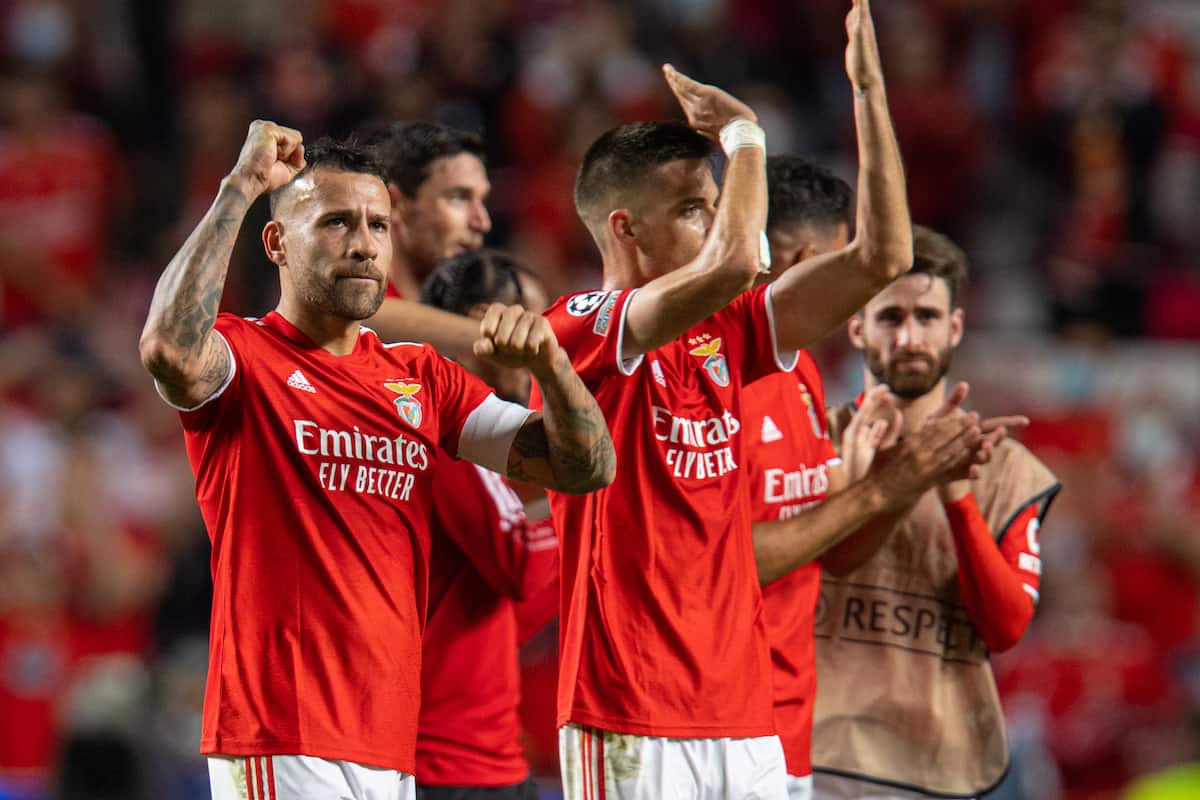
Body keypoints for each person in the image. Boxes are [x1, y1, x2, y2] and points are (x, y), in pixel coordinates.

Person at [541, 3, 981, 796]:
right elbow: (741, 257)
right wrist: (746, 135)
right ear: (624, 229)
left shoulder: (725, 337)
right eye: (691, 209)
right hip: (630, 707)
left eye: (713, 206)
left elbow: (884, 255)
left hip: (743, 714)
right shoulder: (581, 328)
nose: (715, 225)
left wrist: (868, 94)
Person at [137, 121, 615, 800]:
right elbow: (168, 350)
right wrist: (240, 187)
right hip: (281, 734)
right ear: (276, 242)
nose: (362, 244)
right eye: (335, 223)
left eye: (377, 225)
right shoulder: (246, 359)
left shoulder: (422, 378)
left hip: (390, 742)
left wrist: (551, 364)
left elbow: (582, 467)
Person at [746, 159, 1023, 800]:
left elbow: (832, 555)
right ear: (806, 258)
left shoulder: (804, 375)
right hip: (721, 727)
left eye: (926, 316)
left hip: (795, 737)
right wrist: (881, 487)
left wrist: (918, 483)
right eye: (853, 266)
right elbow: (729, 562)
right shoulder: (717, 379)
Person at [809, 226, 1061, 800]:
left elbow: (1005, 628)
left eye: (926, 316)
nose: (909, 336)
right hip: (814, 753)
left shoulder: (1007, 468)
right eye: (890, 317)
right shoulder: (812, 437)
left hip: (939, 763)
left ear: (955, 327)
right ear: (856, 328)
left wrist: (956, 494)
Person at [415, 249, 557, 800]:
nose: (550, 344)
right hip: (442, 760)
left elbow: (520, 607)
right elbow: (523, 566)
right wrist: (563, 497)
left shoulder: (489, 438)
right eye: (536, 321)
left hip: (488, 754)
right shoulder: (443, 434)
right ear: (484, 324)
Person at [366, 122, 494, 364]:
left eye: (482, 200)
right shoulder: (347, 304)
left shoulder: (470, 307)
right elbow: (364, 315)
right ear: (394, 203)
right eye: (458, 198)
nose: (482, 222)